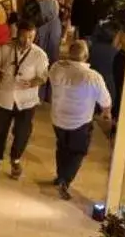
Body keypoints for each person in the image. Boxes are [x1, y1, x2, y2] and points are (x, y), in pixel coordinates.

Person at [46, 38, 113, 201]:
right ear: (86, 56)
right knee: (77, 152)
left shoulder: (56, 68)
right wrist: (107, 114)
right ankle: (65, 181)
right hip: (80, 122)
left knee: (62, 147)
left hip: (58, 119)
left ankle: (60, 175)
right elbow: (106, 102)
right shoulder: (93, 77)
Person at [0, 21, 50, 180]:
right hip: (4, 97)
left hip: (26, 101)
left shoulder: (39, 55)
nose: (27, 40)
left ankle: (15, 159)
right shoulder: (5, 48)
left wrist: (34, 82)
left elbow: (44, 76)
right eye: (24, 36)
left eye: (31, 37)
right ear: (18, 34)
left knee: (22, 133)